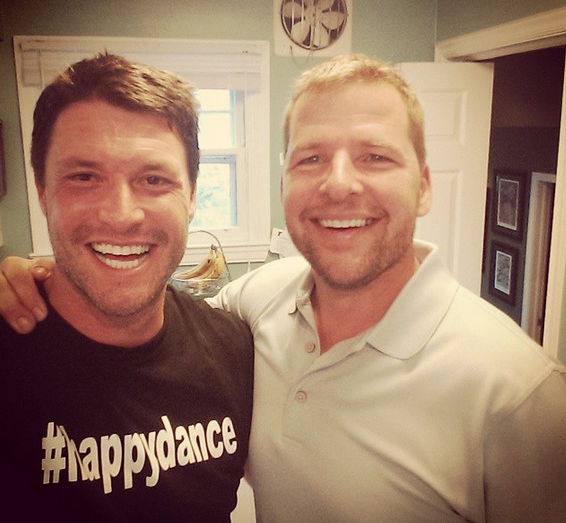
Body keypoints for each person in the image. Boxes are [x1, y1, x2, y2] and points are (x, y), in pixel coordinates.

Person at [2, 54, 566, 522]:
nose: (339, 184)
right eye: (311, 158)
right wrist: (38, 273)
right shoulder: (256, 306)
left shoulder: (522, 397)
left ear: (423, 187)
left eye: (375, 156)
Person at [0, 53, 254, 522]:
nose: (120, 214)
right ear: (42, 190)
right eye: (84, 177)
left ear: (192, 195)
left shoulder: (238, 349)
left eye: (153, 179)